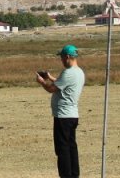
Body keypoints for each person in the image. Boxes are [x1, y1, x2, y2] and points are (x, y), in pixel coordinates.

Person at [36, 44, 85, 178]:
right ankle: (74, 174)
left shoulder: (68, 73)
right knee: (71, 147)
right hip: (72, 115)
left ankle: (66, 175)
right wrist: (50, 77)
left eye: (62, 57)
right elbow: (62, 83)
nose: (61, 60)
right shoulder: (79, 72)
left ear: (67, 57)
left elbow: (52, 89)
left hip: (63, 116)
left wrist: (41, 82)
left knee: (62, 149)